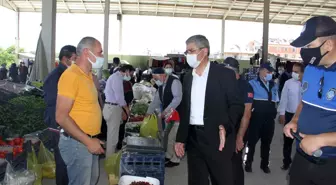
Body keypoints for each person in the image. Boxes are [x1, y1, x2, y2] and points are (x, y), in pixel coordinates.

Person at [175, 35, 244, 185]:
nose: (188, 55)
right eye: (186, 52)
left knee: (221, 179)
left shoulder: (224, 74)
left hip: (217, 138)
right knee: (196, 180)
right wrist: (180, 138)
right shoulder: (187, 77)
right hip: (194, 139)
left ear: (204, 51)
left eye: (191, 51)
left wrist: (225, 125)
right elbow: (185, 110)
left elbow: (237, 105)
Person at [283, 16, 336, 185]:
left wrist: (321, 140)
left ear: (328, 44)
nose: (304, 51)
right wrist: (295, 120)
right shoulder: (312, 68)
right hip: (302, 157)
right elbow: (305, 102)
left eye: (309, 46)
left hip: (330, 164)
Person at [56, 37, 105, 185]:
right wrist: (88, 141)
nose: (102, 56)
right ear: (86, 52)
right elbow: (61, 117)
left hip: (90, 140)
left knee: (92, 179)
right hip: (78, 143)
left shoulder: (88, 76)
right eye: (100, 52)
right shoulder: (71, 76)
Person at [43, 45, 76, 185]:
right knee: (62, 159)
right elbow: (52, 101)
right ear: (65, 59)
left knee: (68, 157)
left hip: (65, 120)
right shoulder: (56, 76)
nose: (76, 61)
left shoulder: (67, 73)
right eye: (74, 59)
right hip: (58, 122)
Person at [223, 57, 253, 185]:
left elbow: (246, 115)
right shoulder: (223, 83)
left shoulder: (245, 87)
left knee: (235, 161)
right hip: (224, 127)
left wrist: (239, 137)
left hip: (239, 128)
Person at [245, 63, 279, 174]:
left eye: (271, 72)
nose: (270, 74)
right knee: (251, 143)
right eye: (268, 72)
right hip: (256, 119)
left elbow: (275, 101)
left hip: (269, 119)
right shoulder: (252, 84)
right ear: (261, 71)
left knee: (267, 143)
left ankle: (264, 165)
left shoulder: (273, 85)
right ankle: (248, 163)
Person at [146, 67, 183, 168]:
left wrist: (165, 111)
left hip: (177, 114)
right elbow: (156, 100)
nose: (155, 81)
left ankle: (175, 159)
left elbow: (177, 98)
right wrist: (148, 112)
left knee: (173, 137)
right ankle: (168, 155)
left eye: (156, 78)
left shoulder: (174, 82)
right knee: (167, 136)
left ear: (162, 75)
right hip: (168, 115)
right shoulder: (161, 86)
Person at [278, 62, 305, 171]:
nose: (293, 73)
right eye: (293, 71)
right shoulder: (288, 83)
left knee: (302, 142)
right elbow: (284, 98)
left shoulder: (308, 84)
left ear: (302, 73)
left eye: (296, 72)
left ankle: (300, 164)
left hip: (303, 117)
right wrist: (282, 113)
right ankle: (286, 162)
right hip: (289, 115)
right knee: (287, 141)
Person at [103, 64, 131, 157]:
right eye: (130, 73)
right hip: (112, 109)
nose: (130, 76)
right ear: (126, 71)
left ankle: (110, 157)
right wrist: (126, 109)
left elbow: (116, 98)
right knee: (113, 138)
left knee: (111, 134)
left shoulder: (115, 77)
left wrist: (122, 111)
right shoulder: (117, 78)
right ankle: (110, 161)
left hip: (112, 107)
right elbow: (119, 97)